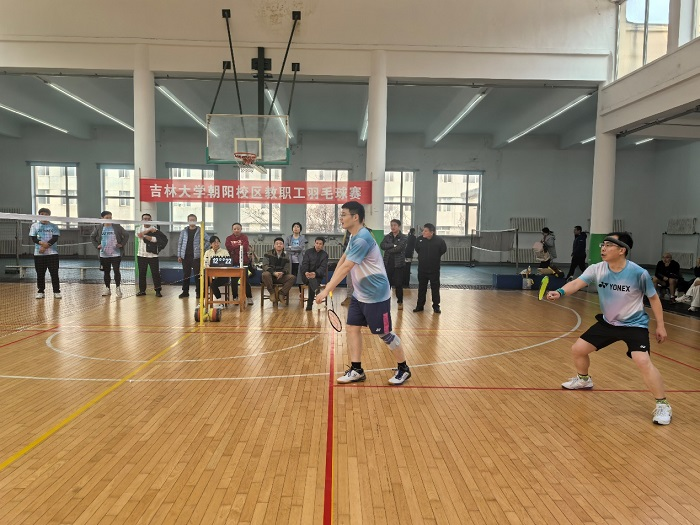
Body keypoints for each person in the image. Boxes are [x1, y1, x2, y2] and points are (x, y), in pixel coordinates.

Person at [546, 232, 672, 425]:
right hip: (608, 322)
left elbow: (654, 298)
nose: (603, 248)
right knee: (578, 349)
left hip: (634, 324)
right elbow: (577, 283)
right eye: (602, 245)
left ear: (622, 250)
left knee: (642, 361)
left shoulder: (638, 273)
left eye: (608, 245)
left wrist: (661, 325)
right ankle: (584, 380)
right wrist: (560, 291)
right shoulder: (597, 268)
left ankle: (663, 404)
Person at [316, 201, 411, 385]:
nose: (341, 218)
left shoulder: (362, 239)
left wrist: (327, 290)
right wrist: (329, 283)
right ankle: (357, 369)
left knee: (385, 334)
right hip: (360, 294)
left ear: (355, 217)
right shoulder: (354, 236)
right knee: (352, 328)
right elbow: (343, 260)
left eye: (344, 215)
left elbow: (347, 267)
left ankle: (403, 368)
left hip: (376, 295)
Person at [90, 211, 128, 297]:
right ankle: (107, 288)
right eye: (107, 218)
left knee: (116, 271)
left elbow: (126, 235)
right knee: (106, 272)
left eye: (110, 217)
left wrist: (121, 244)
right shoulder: (98, 227)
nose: (109, 219)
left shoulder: (117, 226)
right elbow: (92, 237)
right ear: (102, 218)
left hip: (116, 254)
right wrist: (97, 245)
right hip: (104, 254)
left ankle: (118, 288)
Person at [413, 223, 447, 313]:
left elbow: (443, 250)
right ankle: (420, 306)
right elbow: (417, 249)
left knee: (435, 288)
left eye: (425, 231)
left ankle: (436, 306)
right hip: (422, 269)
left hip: (434, 269)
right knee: (422, 288)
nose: (423, 232)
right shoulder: (419, 240)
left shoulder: (439, 241)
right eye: (423, 230)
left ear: (432, 232)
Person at [29, 208, 61, 299]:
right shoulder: (34, 226)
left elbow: (55, 238)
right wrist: (42, 244)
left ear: (49, 216)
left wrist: (45, 246)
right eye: (42, 214)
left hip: (52, 254)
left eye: (46, 214)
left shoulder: (54, 226)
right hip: (39, 254)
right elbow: (34, 238)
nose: (44, 216)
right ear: (39, 215)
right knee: (40, 274)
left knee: (54, 273)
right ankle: (40, 291)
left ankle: (56, 291)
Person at [135, 213, 167, 297]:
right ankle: (142, 291)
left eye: (148, 219)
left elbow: (155, 239)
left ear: (151, 220)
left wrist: (146, 235)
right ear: (142, 220)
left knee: (155, 273)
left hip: (153, 256)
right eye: (145, 219)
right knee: (142, 273)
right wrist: (148, 231)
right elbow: (139, 235)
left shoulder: (155, 229)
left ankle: (158, 291)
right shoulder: (138, 228)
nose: (147, 220)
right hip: (141, 255)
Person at [177, 214, 207, 299]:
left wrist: (202, 248)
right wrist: (179, 255)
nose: (192, 221)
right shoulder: (184, 231)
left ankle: (199, 292)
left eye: (194, 220)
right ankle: (185, 292)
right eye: (190, 220)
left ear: (196, 221)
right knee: (186, 274)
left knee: (197, 275)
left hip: (196, 257)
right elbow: (180, 243)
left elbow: (208, 240)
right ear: (188, 221)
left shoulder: (201, 230)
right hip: (185, 256)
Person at [380, 219, 408, 310]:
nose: (393, 227)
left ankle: (400, 301)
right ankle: (385, 301)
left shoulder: (404, 237)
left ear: (399, 226)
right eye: (391, 225)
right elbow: (382, 245)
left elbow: (399, 248)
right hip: (388, 263)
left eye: (395, 225)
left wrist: (388, 249)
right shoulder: (388, 236)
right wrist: (392, 245)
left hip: (398, 265)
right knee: (387, 284)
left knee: (398, 284)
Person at [224, 222, 254, 305]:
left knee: (245, 281)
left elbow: (245, 247)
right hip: (233, 263)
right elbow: (228, 247)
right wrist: (239, 245)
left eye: (238, 229)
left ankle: (249, 297)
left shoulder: (244, 237)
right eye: (235, 229)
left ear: (241, 229)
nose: (236, 230)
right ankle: (235, 297)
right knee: (234, 281)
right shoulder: (229, 238)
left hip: (244, 262)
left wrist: (234, 247)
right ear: (232, 230)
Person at [261, 237, 296, 306]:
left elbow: (287, 268)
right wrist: (274, 273)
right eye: (277, 244)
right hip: (270, 276)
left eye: (281, 244)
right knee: (265, 274)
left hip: (280, 276)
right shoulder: (268, 253)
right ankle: (272, 292)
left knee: (292, 277)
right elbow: (265, 266)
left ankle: (281, 294)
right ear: (274, 245)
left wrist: (282, 273)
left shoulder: (286, 256)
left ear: (283, 246)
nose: (279, 245)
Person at [300, 237, 329, 310]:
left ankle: (310, 304)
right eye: (317, 243)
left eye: (320, 244)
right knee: (311, 280)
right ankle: (318, 300)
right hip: (306, 276)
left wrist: (315, 273)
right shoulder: (308, 252)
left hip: (317, 276)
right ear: (314, 243)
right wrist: (306, 272)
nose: (318, 245)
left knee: (312, 280)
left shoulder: (324, 255)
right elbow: (304, 264)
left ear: (323, 245)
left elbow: (323, 267)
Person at [202, 235, 231, 302]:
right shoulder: (207, 252)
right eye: (214, 242)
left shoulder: (224, 252)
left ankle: (219, 301)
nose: (216, 244)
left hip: (222, 276)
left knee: (213, 285)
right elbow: (205, 264)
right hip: (211, 275)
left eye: (218, 242)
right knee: (202, 283)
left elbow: (228, 263)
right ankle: (203, 301)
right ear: (211, 244)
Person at [285, 222, 307, 293]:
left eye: (298, 227)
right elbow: (286, 248)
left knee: (300, 277)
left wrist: (290, 248)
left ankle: (301, 293)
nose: (296, 228)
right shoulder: (288, 238)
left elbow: (301, 248)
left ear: (300, 229)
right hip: (290, 260)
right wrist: (295, 249)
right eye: (294, 227)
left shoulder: (302, 238)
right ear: (292, 229)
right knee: (289, 277)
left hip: (299, 260)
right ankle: (285, 293)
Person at [340, 228, 354, 306]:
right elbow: (345, 245)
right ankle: (349, 297)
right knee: (349, 280)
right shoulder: (348, 232)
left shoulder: (366, 232)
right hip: (349, 258)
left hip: (360, 262)